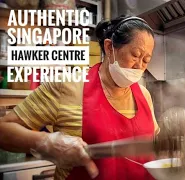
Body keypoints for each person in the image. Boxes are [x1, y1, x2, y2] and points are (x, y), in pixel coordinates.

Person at [0, 15, 160, 180]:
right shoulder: (67, 85)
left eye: (146, 60)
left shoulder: (144, 95)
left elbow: (153, 147)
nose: (139, 66)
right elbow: (3, 130)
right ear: (109, 47)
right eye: (135, 55)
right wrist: (46, 142)